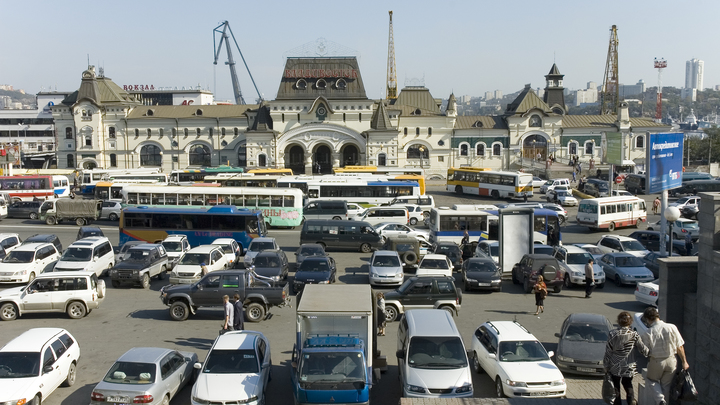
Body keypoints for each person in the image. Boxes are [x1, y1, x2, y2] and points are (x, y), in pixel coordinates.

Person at [639, 306, 690, 405]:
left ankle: (660, 400)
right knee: (665, 385)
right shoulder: (672, 327)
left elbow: (646, 351)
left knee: (651, 380)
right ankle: (663, 402)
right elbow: (680, 346)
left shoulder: (648, 332)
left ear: (648, 319)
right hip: (671, 360)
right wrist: (684, 362)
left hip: (657, 360)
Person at [604, 311, 650, 405]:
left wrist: (606, 365)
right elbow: (643, 349)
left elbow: (608, 351)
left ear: (618, 321)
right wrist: (650, 353)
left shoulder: (613, 334)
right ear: (630, 322)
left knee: (616, 387)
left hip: (615, 366)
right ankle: (631, 401)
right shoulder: (634, 334)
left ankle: (617, 403)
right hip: (629, 366)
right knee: (628, 385)